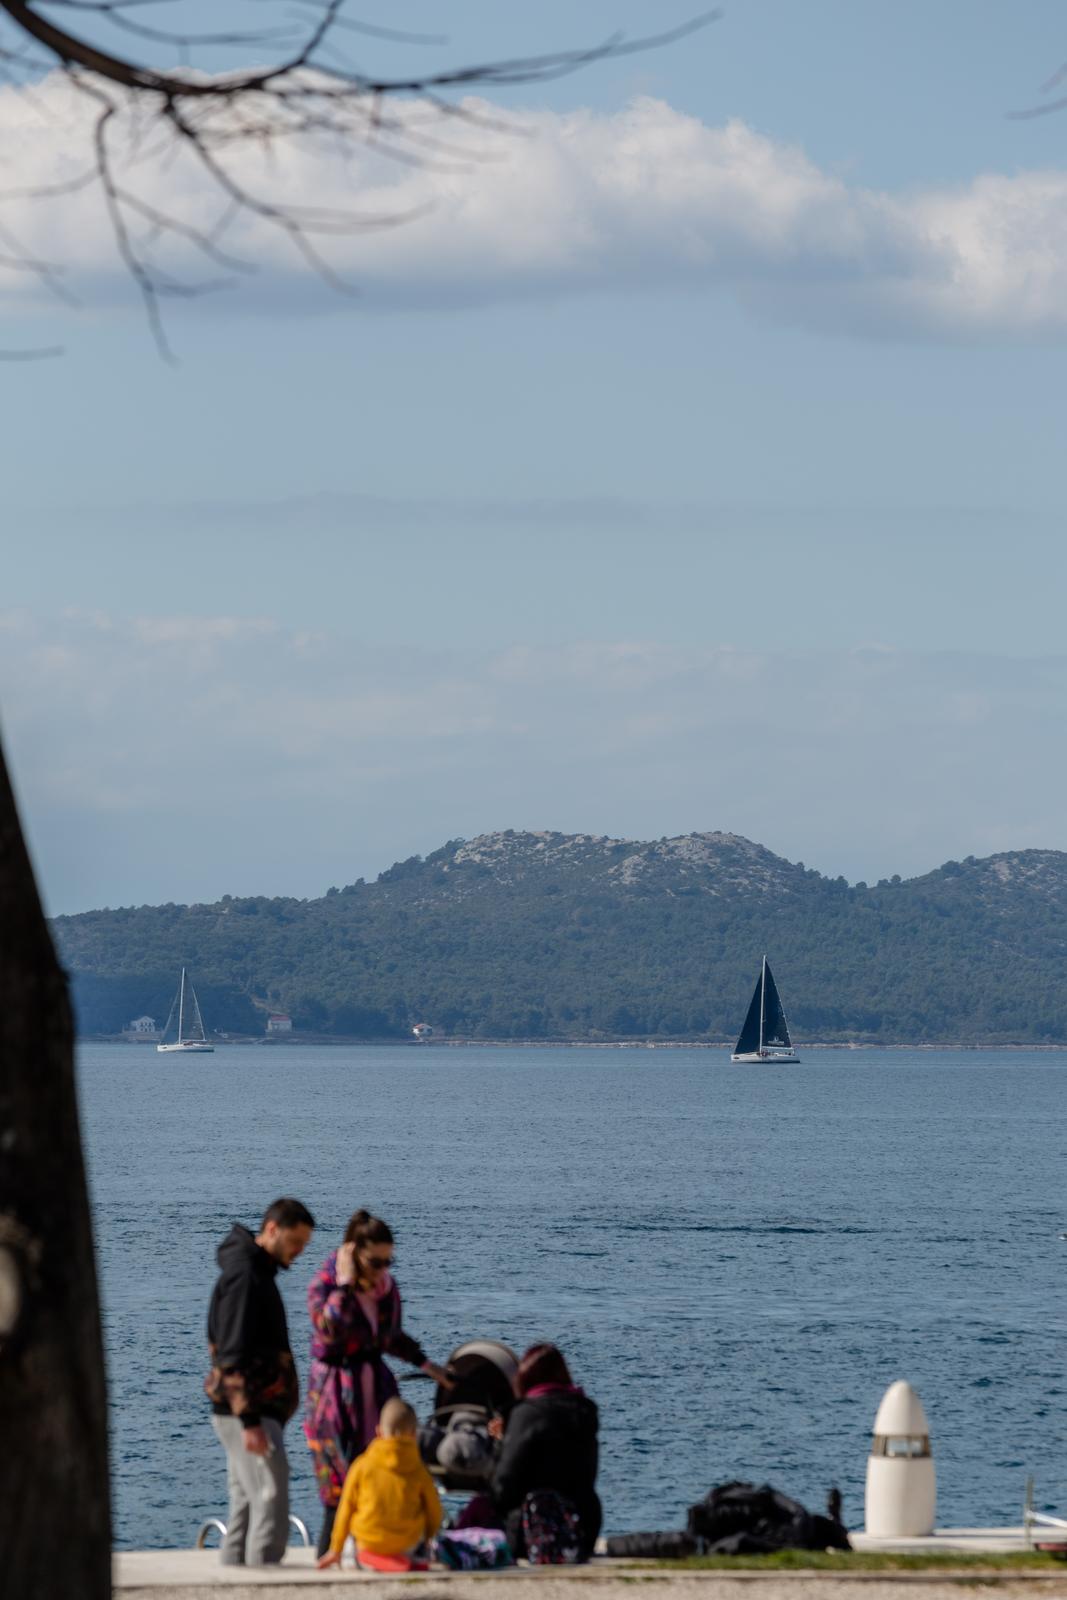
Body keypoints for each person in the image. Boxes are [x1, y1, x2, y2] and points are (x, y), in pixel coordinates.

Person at [303, 1209, 453, 1556]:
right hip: (333, 1395)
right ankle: (329, 1560)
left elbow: (390, 1337)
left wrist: (429, 1366)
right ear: (352, 1252)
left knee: (386, 1473)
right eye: (375, 1261)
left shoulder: (385, 1287)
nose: (383, 1270)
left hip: (374, 1391)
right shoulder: (325, 1283)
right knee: (340, 1485)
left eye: (389, 1261)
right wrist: (344, 1285)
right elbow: (328, 1329)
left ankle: (382, 1552)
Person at [205, 1196, 315, 1566]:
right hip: (249, 1412)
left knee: (246, 1503)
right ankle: (264, 1580)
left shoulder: (254, 1273)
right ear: (272, 1229)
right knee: (269, 1496)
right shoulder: (247, 1279)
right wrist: (250, 1421)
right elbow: (230, 1354)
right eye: (296, 1242)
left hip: (243, 1411)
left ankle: (236, 1575)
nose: (299, 1252)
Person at [488, 1342, 602, 1561]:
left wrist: (501, 1442)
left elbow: (502, 1488)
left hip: (530, 1534)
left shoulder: (526, 1415)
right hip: (583, 1530)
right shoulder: (585, 1411)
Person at [317, 1397, 442, 1572]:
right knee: (415, 1529)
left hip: (368, 1541)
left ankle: (370, 1557)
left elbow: (345, 1510)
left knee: (353, 1542)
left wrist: (335, 1549)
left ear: (378, 1432)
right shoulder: (419, 1470)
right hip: (407, 1544)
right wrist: (428, 1538)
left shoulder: (362, 1465)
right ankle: (407, 1557)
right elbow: (434, 1511)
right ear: (414, 1434)